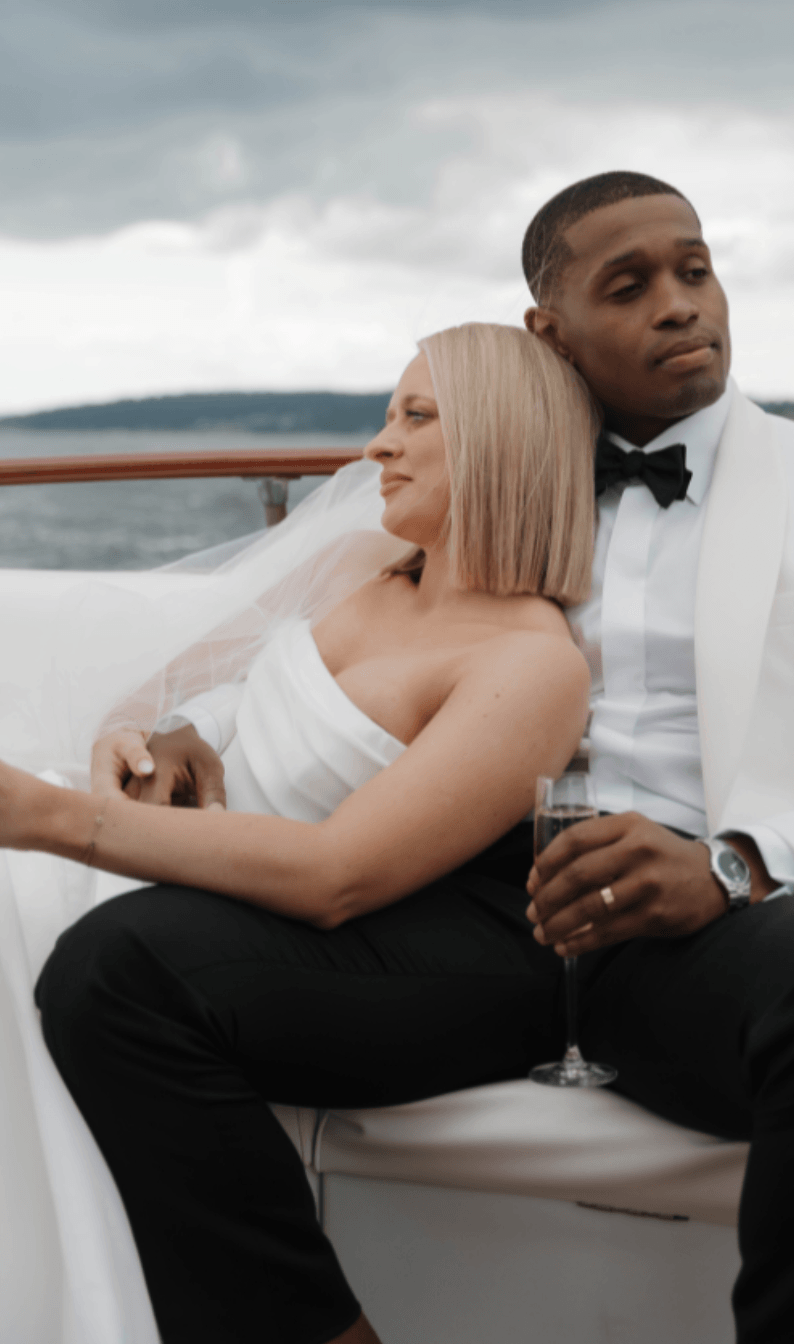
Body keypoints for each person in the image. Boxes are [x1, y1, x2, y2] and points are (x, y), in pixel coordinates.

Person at [22, 171, 794, 1344]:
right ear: (550, 330)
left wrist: (735, 866)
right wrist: (199, 727)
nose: (681, 305)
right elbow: (349, 641)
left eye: (694, 269)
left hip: (712, 928)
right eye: (628, 286)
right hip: (462, 910)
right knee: (114, 971)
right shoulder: (491, 469)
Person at [1, 321, 599, 1344]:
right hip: (193, 872)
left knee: (69, 952)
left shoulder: (530, 665)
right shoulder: (363, 565)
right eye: (384, 415)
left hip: (350, 936)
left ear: (501, 441)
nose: (377, 445)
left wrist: (55, 819)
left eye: (415, 417)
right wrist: (146, 739)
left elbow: (337, 875)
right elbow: (158, 689)